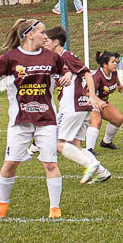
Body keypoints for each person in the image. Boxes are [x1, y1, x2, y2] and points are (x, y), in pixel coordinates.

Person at [0, 18, 73, 219]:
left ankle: (55, 208)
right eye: (42, 32)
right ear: (30, 35)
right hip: (20, 120)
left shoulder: (52, 57)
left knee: (50, 163)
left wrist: (67, 76)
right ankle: (2, 204)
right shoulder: (10, 58)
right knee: (10, 164)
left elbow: (65, 70)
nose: (46, 36)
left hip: (46, 119)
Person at [43, 26, 111, 184]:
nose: (44, 43)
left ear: (56, 42)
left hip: (72, 106)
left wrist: (92, 95)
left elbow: (86, 73)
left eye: (46, 41)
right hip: (80, 107)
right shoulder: (58, 59)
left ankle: (91, 164)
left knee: (58, 143)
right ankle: (102, 173)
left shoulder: (66, 56)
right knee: (75, 145)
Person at [87, 51, 123, 151]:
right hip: (88, 102)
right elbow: (88, 93)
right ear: (105, 65)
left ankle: (106, 142)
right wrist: (98, 102)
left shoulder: (113, 71)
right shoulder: (97, 77)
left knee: (118, 119)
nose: (115, 63)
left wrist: (119, 84)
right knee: (96, 121)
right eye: (112, 62)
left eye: (115, 61)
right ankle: (89, 150)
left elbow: (115, 77)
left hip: (102, 102)